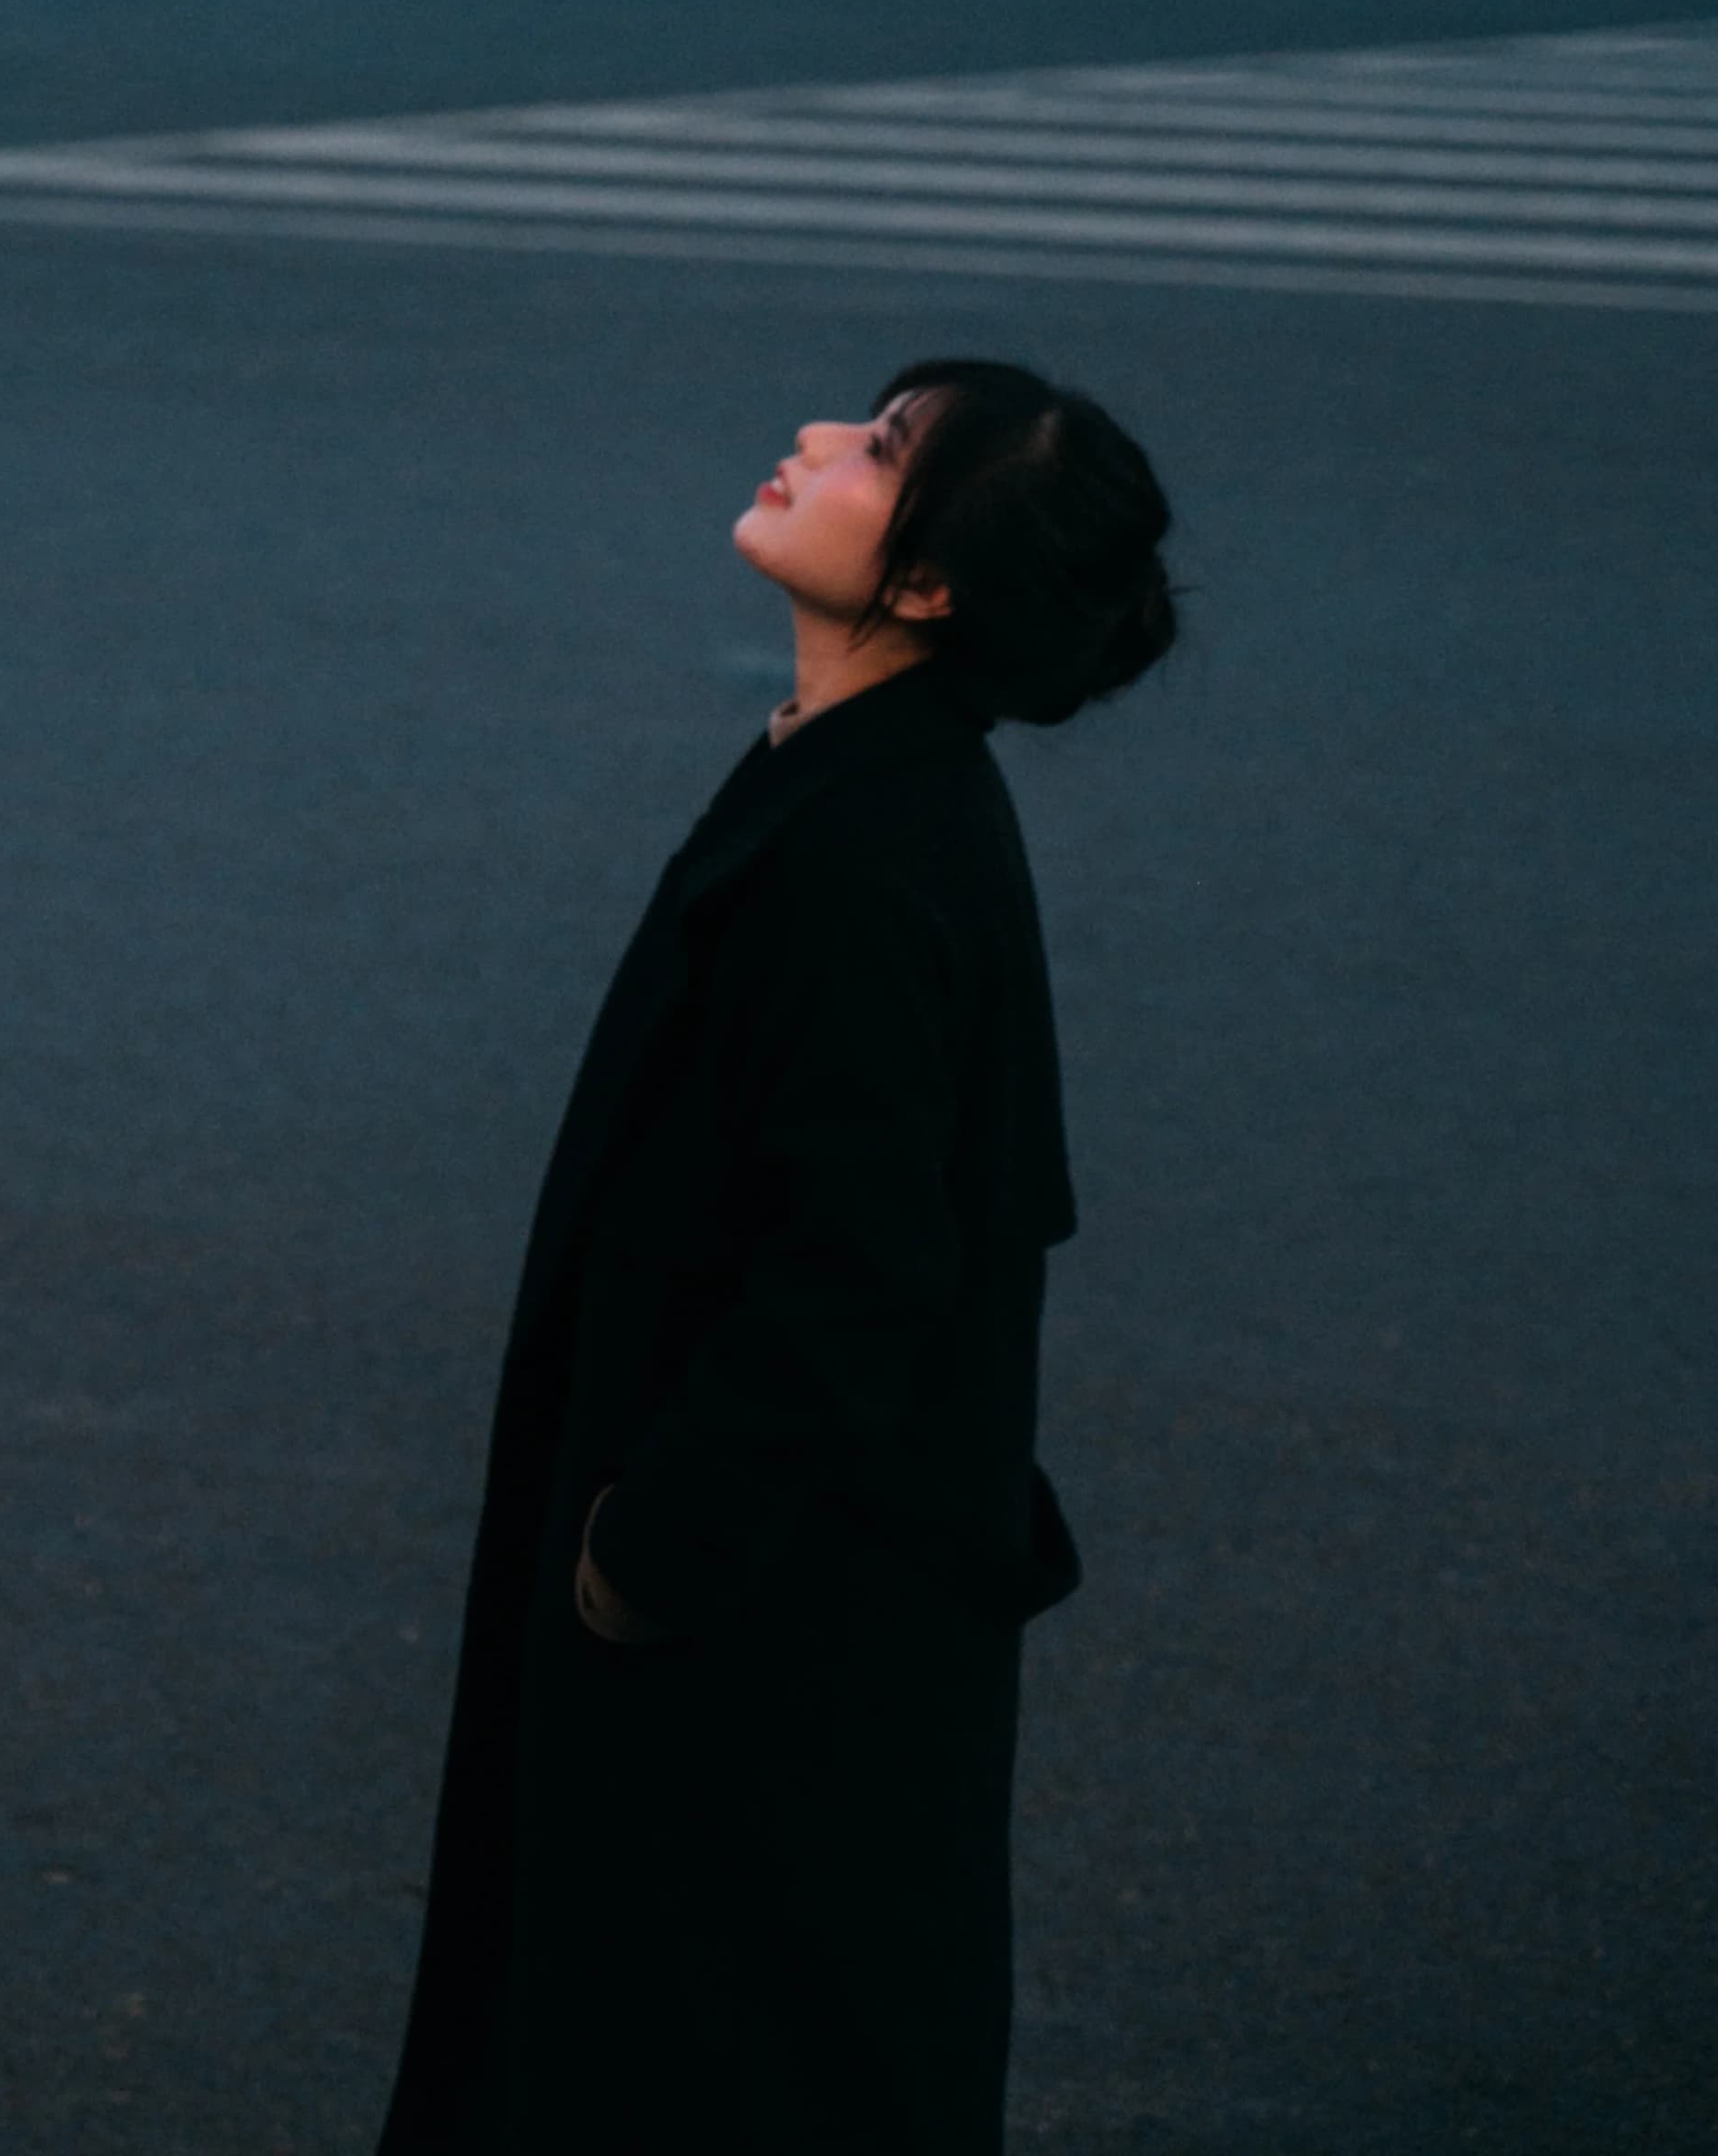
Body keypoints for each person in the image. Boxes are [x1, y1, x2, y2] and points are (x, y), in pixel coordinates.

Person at [380, 357, 1177, 2156]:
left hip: (768, 1641)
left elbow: (855, 1272)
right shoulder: (849, 777)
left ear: (932, 584)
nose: (815, 437)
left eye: (883, 447)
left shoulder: (874, 854)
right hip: (775, 1610)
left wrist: (647, 1553)